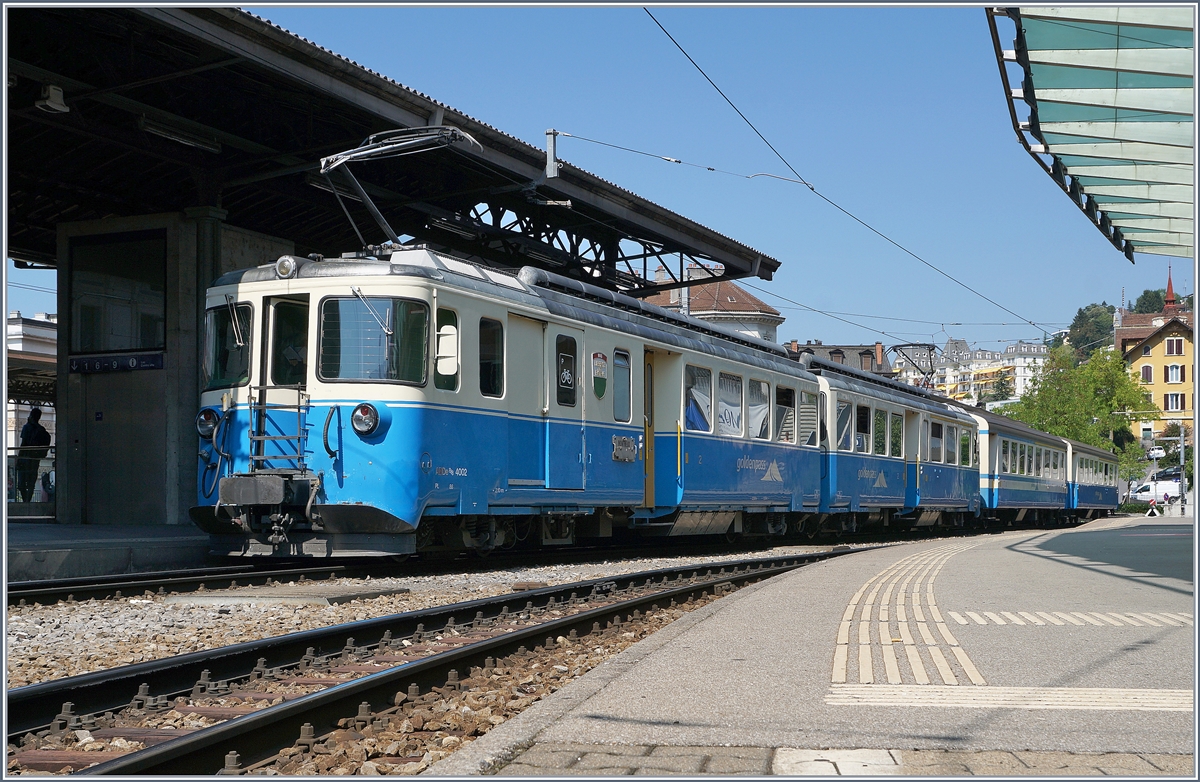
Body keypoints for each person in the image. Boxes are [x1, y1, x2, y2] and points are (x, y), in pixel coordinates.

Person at [16, 408, 51, 503]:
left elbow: (23, 444)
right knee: (31, 482)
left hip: (25, 458)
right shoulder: (41, 429)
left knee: (21, 483)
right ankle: (27, 501)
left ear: (31, 416)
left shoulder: (27, 427)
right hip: (35, 460)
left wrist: (18, 459)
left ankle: (25, 502)